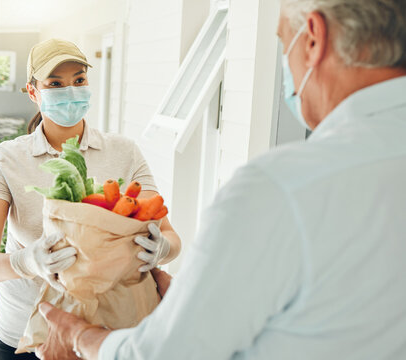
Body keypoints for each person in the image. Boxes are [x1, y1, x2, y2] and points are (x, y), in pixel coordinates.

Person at [34, 0, 406, 359]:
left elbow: (166, 353)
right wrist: (195, 301)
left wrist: (81, 336)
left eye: (281, 41)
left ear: (313, 38)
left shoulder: (278, 188)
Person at [0, 38, 181, 360]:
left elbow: (172, 238)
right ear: (34, 92)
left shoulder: (123, 152)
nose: (70, 91)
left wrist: (162, 249)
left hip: (109, 337)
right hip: (25, 337)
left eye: (79, 80)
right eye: (55, 83)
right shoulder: (7, 157)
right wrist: (27, 261)